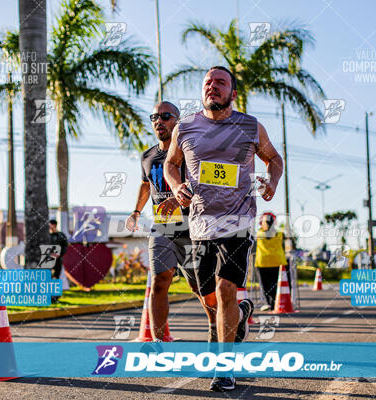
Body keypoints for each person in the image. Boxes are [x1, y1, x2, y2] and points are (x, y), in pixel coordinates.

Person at [163, 66, 283, 391]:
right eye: (208, 83)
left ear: (232, 91)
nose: (212, 87)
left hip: (238, 222)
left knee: (225, 290)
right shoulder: (185, 127)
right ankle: (239, 317)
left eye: (220, 82)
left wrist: (271, 181)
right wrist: (176, 188)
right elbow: (171, 164)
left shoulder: (249, 126)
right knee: (208, 298)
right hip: (200, 225)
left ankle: (225, 367)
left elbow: (274, 158)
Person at [126, 101, 216, 343]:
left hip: (193, 228)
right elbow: (146, 184)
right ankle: (158, 341)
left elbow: (204, 182)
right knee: (159, 280)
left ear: (177, 120)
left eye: (165, 116)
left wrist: (180, 199)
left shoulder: (189, 152)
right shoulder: (147, 156)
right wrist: (136, 211)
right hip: (163, 227)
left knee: (200, 287)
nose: (159, 121)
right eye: (154, 117)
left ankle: (217, 328)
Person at [255, 212, 289, 311]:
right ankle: (277, 302)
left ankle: (269, 303)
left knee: (265, 285)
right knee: (276, 284)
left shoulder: (259, 233)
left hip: (263, 262)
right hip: (277, 261)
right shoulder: (280, 234)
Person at [48, 219, 68, 302]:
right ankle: (48, 296)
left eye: (52, 225)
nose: (52, 227)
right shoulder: (46, 235)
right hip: (47, 261)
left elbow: (65, 247)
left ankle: (56, 297)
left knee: (56, 278)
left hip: (57, 260)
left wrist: (59, 254)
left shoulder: (61, 235)